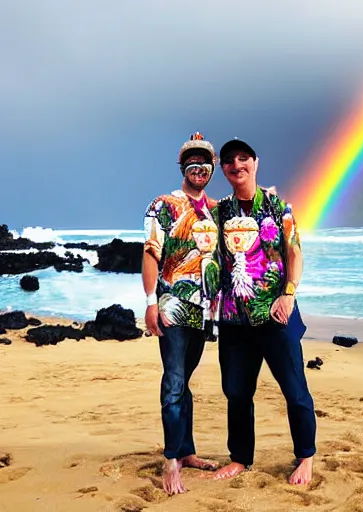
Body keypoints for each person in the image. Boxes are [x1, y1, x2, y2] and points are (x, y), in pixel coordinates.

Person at [211, 138, 317, 485]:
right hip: (233, 320)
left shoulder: (278, 206)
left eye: (243, 158)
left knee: (294, 389)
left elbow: (295, 253)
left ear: (255, 163)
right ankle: (240, 457)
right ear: (223, 169)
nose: (236, 165)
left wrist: (288, 294)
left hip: (276, 316)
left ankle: (305, 457)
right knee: (237, 392)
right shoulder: (220, 211)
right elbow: (193, 229)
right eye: (229, 160)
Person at [142, 132, 221, 495]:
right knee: (174, 382)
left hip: (203, 311)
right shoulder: (164, 205)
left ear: (212, 168)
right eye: (191, 159)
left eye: (204, 160)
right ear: (182, 167)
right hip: (173, 306)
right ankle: (171, 460)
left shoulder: (217, 210)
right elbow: (151, 253)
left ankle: (187, 451)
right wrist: (149, 302)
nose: (198, 165)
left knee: (185, 381)